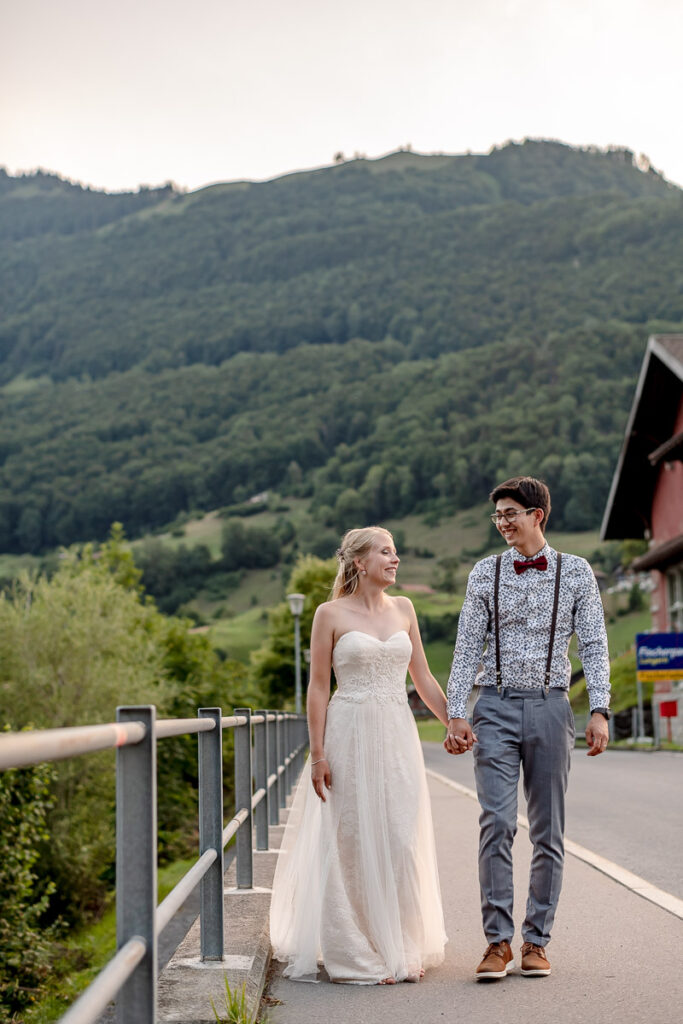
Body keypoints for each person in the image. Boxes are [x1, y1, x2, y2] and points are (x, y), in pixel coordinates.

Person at [445, 477, 611, 981]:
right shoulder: (483, 573)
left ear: (538, 514)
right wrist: (457, 709)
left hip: (551, 707)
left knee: (548, 830)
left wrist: (599, 709)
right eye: (497, 515)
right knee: (496, 822)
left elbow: (596, 646)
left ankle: (537, 941)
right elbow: (467, 644)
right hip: (492, 707)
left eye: (510, 513)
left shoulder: (577, 572)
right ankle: (497, 943)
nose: (502, 522)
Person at [270, 526, 448, 985]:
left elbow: (423, 679)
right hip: (347, 731)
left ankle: (401, 943)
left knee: (399, 836)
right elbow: (318, 686)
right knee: (352, 837)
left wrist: (454, 721)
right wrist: (318, 753)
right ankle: (356, 950)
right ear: (359, 563)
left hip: (397, 733)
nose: (396, 560)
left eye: (395, 552)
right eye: (386, 552)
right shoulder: (329, 614)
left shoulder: (405, 609)